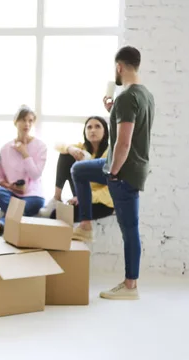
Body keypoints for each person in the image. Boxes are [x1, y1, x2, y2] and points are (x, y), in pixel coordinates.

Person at [71, 46, 155, 300]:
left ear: (119, 67)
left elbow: (124, 142)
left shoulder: (128, 97)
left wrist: (113, 172)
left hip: (124, 170)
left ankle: (130, 287)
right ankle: (86, 224)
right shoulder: (145, 95)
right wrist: (112, 111)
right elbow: (128, 129)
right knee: (79, 169)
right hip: (127, 166)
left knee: (129, 228)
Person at [0, 105, 47, 235]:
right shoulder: (6, 148)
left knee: (23, 207)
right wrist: (9, 186)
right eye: (23, 120)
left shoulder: (40, 146)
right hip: (12, 194)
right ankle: (0, 224)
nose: (26, 124)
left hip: (33, 196)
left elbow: (35, 175)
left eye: (30, 121)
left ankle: (0, 224)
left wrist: (24, 153)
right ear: (15, 122)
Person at [38, 116, 115, 222]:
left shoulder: (111, 153)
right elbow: (57, 145)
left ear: (105, 131)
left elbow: (111, 187)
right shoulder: (82, 149)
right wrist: (71, 149)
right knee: (66, 154)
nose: (93, 130)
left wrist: (84, 197)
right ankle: (57, 197)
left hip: (102, 201)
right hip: (82, 193)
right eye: (89, 127)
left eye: (97, 127)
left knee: (57, 215)